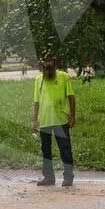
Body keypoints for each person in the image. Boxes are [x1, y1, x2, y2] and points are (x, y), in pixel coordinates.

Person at [31, 54, 78, 188]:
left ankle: (68, 177)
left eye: (50, 67)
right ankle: (48, 177)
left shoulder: (63, 77)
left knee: (65, 149)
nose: (48, 70)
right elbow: (36, 101)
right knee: (46, 150)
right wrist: (35, 120)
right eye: (45, 68)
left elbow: (71, 97)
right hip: (44, 120)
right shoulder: (38, 79)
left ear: (55, 65)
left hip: (60, 120)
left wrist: (72, 115)